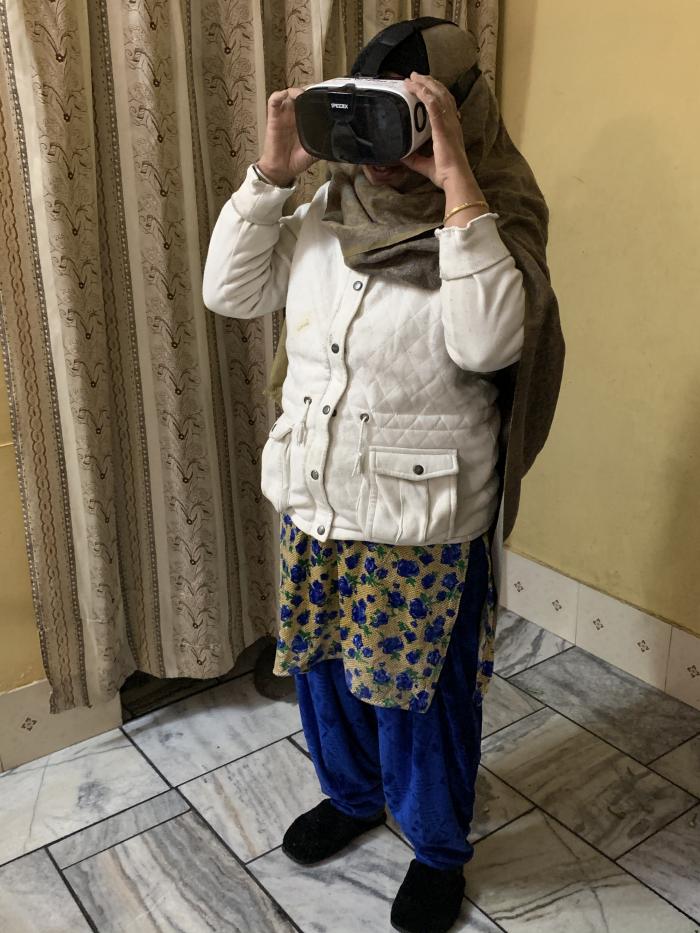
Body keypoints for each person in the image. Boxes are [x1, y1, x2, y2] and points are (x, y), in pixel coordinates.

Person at [203, 17, 564, 933]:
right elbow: (230, 294)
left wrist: (455, 186)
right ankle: (355, 797)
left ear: (458, 116)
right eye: (359, 120)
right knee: (324, 672)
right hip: (318, 503)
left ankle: (439, 846)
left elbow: (489, 341)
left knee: (422, 702)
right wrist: (273, 176)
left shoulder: (493, 218)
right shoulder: (323, 211)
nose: (375, 155)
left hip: (423, 521)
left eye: (402, 120)